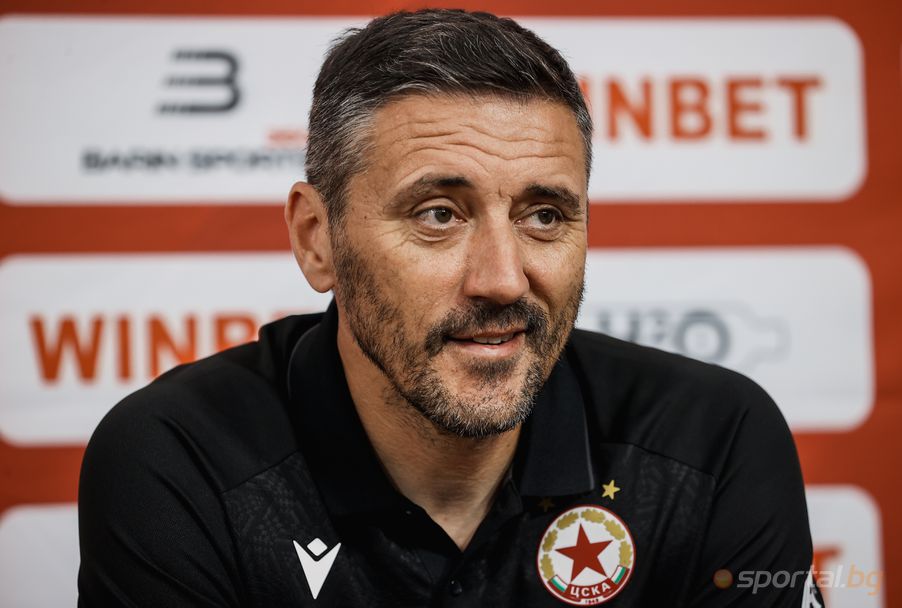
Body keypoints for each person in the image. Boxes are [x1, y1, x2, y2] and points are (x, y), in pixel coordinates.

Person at [78, 9, 824, 607]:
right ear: (317, 239)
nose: (502, 281)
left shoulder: (711, 442)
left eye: (544, 216)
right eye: (438, 214)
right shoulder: (181, 460)